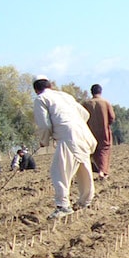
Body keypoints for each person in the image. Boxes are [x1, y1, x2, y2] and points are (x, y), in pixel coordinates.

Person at [32, 75, 98, 218]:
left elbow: (43, 125)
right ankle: (86, 202)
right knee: (84, 169)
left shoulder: (40, 99)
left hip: (68, 137)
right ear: (50, 85)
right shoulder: (64, 96)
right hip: (84, 135)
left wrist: (44, 141)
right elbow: (85, 114)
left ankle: (63, 206)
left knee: (59, 172)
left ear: (36, 90)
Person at [82, 84, 115, 179]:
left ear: (91, 92)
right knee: (104, 150)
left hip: (89, 133)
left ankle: (94, 170)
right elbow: (112, 117)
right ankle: (102, 171)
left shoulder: (86, 104)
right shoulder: (105, 103)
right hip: (103, 131)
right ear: (100, 91)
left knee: (92, 151)